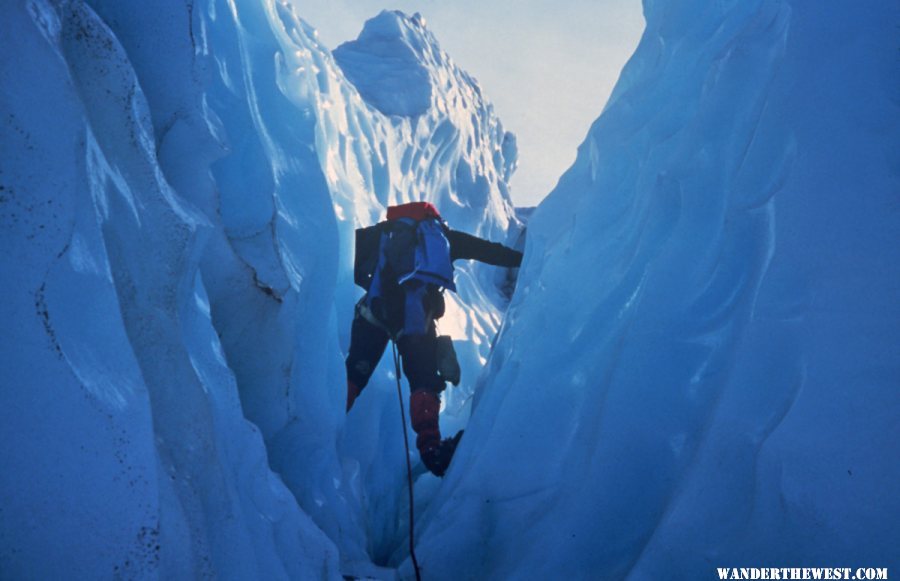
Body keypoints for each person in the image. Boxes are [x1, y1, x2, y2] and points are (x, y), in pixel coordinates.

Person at [346, 201, 523, 476]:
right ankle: (431, 450)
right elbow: (486, 250)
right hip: (415, 320)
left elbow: (353, 255)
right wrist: (522, 259)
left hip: (374, 313)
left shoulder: (383, 232)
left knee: (355, 372)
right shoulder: (440, 237)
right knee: (423, 379)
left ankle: (317, 423)